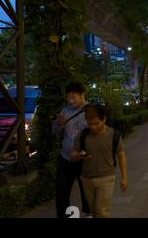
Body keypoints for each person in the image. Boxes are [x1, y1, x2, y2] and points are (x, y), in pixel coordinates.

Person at [71, 104, 128, 218]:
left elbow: (121, 155)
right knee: (94, 211)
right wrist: (79, 156)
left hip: (106, 178)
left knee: (102, 211)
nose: (93, 127)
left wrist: (124, 177)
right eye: (90, 124)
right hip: (87, 179)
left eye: (97, 123)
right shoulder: (83, 135)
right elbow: (73, 154)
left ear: (104, 119)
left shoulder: (113, 135)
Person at [52, 82, 91, 218]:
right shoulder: (65, 111)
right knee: (61, 190)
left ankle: (89, 213)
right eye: (68, 97)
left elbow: (97, 133)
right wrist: (59, 123)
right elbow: (55, 131)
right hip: (66, 157)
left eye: (73, 97)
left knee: (86, 191)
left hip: (83, 159)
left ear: (82, 95)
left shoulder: (90, 111)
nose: (70, 100)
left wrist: (82, 152)